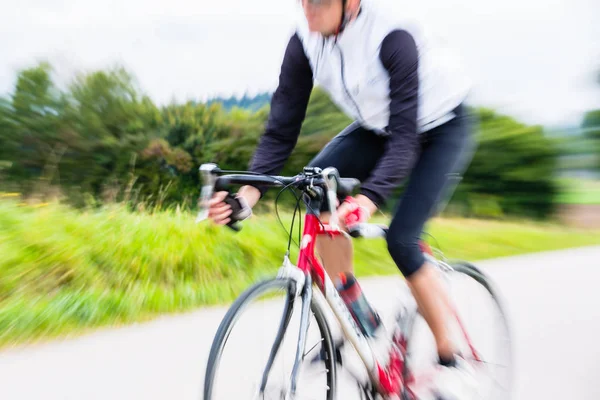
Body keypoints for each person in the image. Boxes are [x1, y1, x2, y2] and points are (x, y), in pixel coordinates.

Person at [208, 0, 477, 397]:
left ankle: (450, 359)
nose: (308, 10)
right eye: (303, 0)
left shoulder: (391, 34)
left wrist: (367, 200)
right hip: (378, 127)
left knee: (402, 239)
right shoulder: (304, 41)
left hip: (440, 127)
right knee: (313, 188)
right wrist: (245, 198)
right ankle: (357, 314)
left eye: (318, 2)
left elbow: (405, 141)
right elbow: (280, 132)